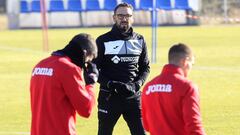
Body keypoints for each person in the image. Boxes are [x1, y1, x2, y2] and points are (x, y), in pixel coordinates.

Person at [93, 2, 150, 135]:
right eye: (120, 16)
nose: (124, 19)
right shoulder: (102, 40)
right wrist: (110, 84)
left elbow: (145, 67)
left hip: (133, 97)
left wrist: (137, 84)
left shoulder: (140, 39)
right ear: (114, 18)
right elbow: (93, 70)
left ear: (132, 18)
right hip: (109, 96)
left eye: (128, 16)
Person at [30, 33, 98, 135]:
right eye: (88, 60)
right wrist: (90, 84)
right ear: (84, 54)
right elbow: (86, 109)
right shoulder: (69, 69)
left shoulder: (39, 65)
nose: (86, 65)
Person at [141, 43, 206, 135]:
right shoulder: (187, 87)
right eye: (192, 64)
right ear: (185, 61)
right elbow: (194, 125)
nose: (191, 68)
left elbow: (146, 125)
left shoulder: (148, 87)